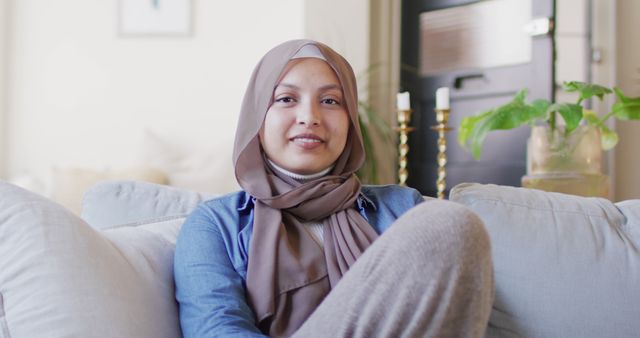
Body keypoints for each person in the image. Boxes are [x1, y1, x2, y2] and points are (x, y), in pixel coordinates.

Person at [174, 39, 494, 338]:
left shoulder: (402, 208)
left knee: (451, 223)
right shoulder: (215, 224)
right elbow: (216, 328)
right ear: (257, 117)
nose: (309, 117)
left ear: (350, 119)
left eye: (330, 101)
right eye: (286, 99)